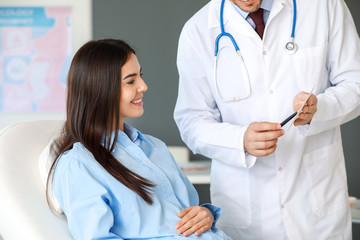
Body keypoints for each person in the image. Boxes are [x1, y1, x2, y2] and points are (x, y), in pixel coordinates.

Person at [174, 0, 360, 239]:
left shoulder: (324, 6)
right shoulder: (198, 31)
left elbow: (355, 83)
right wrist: (240, 140)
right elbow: (191, 120)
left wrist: (320, 108)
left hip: (317, 212)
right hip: (246, 215)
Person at [46, 39, 231, 240]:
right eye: (131, 80)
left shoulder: (154, 147)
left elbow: (186, 212)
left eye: (140, 76)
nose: (143, 86)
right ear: (99, 88)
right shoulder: (79, 165)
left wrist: (206, 215)